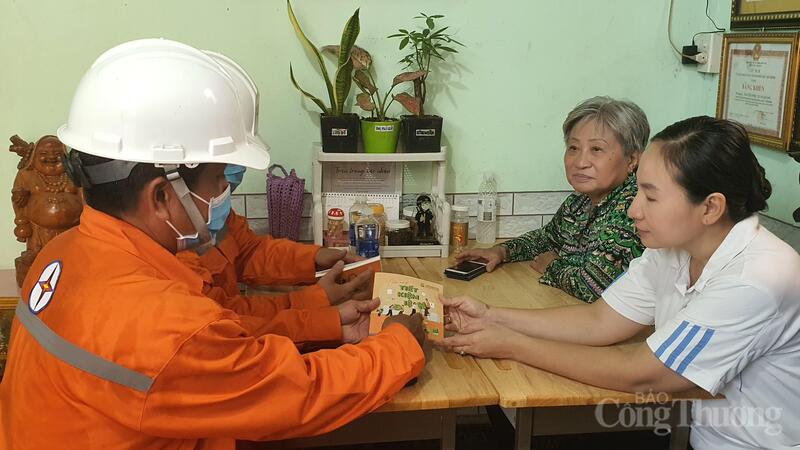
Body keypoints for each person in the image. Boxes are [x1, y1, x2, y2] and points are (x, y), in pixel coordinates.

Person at [0, 39, 425, 449]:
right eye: (220, 178)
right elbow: (296, 394)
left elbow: (224, 340)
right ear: (162, 197)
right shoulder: (162, 323)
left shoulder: (61, 254)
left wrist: (327, 320)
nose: (226, 190)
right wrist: (399, 345)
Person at [439, 116, 799, 449]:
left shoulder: (756, 279)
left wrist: (511, 344)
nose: (633, 209)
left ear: (710, 208)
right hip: (695, 432)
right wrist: (491, 317)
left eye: (651, 196)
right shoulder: (672, 249)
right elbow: (600, 321)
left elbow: (643, 375)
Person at [175, 51, 372, 345]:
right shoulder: (164, 261)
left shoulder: (203, 210)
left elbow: (252, 253)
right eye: (219, 174)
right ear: (166, 188)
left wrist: (315, 259)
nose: (227, 183)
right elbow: (231, 323)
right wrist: (317, 303)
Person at [456, 96, 648, 302]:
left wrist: (551, 265)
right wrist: (502, 251)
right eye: (573, 148)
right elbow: (546, 238)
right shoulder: (578, 203)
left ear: (632, 160)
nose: (581, 162)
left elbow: (596, 285)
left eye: (596, 149)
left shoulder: (635, 207)